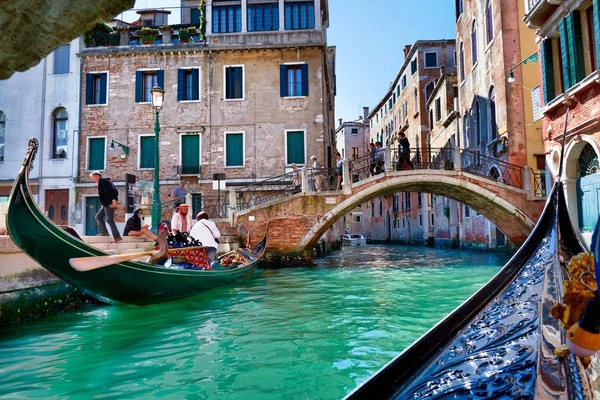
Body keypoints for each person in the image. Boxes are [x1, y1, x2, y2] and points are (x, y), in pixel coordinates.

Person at [90, 171, 122, 243]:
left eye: (93, 178)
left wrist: (114, 199)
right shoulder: (102, 182)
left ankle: (117, 237)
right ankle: (104, 232)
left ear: (97, 176)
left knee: (109, 220)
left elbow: (113, 190)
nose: (93, 180)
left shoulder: (104, 182)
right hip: (105, 204)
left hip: (109, 204)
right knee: (98, 216)